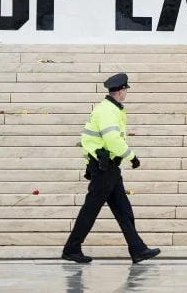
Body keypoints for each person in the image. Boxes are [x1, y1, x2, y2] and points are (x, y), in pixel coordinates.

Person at [62, 73, 160, 264]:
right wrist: (132, 157)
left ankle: (137, 249)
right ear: (121, 91)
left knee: (123, 210)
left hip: (108, 168)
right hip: (104, 168)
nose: (126, 93)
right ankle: (72, 248)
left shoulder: (110, 109)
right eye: (126, 90)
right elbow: (112, 139)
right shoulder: (107, 110)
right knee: (91, 210)